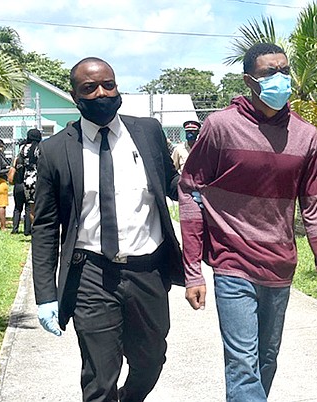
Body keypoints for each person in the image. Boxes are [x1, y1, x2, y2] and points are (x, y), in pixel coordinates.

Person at [179, 43, 317, 402]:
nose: (279, 79)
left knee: (266, 360)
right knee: (242, 364)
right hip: (232, 263)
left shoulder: (307, 137)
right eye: (269, 73)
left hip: (280, 266)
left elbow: (315, 208)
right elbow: (190, 190)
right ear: (249, 81)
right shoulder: (220, 127)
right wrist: (193, 269)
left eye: (284, 71)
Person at [32, 57, 184, 402]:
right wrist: (45, 294)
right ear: (75, 96)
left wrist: (196, 183)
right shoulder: (55, 150)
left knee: (150, 360)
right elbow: (44, 227)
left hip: (148, 268)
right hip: (92, 275)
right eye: (90, 88)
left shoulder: (147, 132)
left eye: (108, 85)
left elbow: (170, 183)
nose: (101, 93)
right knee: (100, 375)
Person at [18, 128, 43, 229]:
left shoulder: (22, 148)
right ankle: (41, 228)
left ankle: (34, 229)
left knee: (31, 207)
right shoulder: (40, 148)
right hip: (39, 178)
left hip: (27, 179)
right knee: (41, 205)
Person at [11, 139, 30, 235]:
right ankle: (27, 230)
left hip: (17, 185)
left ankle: (15, 229)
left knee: (17, 208)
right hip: (27, 185)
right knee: (28, 208)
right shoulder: (29, 159)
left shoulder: (16, 159)